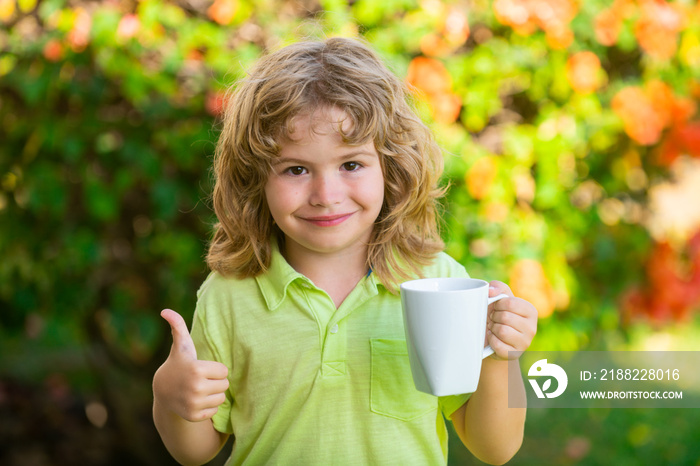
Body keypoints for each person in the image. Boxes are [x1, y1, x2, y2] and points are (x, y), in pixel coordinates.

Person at [152, 37, 537, 466]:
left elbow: (495, 448)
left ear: (391, 167)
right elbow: (196, 451)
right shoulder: (230, 295)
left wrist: (500, 358)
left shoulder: (437, 282)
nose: (326, 195)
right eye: (296, 169)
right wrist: (170, 399)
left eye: (351, 164)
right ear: (255, 179)